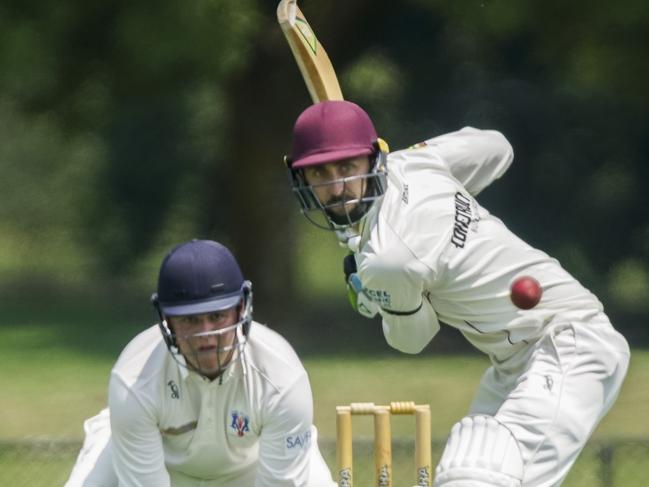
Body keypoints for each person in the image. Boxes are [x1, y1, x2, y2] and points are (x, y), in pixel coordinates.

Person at [284, 100, 630, 487]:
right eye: (320, 173)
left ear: (371, 161)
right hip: (513, 365)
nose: (337, 188)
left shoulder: (388, 258)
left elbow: (412, 340)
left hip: (569, 346)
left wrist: (370, 295)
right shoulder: (415, 164)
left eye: (347, 168)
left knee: (478, 478)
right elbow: (497, 147)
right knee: (463, 470)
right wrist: (441, 191)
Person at [65, 239, 336, 487]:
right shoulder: (134, 379)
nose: (206, 335)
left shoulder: (281, 377)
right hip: (158, 465)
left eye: (217, 316)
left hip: (253, 465)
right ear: (167, 322)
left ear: (241, 309)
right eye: (190, 320)